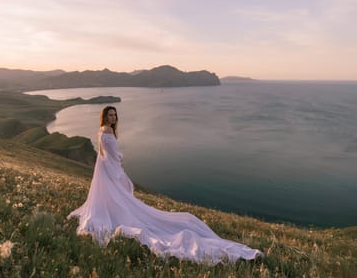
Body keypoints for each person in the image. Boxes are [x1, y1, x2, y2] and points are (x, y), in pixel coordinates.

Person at [68, 106, 262, 264]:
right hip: (110, 168)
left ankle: (111, 213)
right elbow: (112, 154)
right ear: (105, 116)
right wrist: (120, 168)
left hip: (103, 168)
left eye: (114, 114)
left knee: (112, 197)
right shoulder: (109, 131)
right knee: (123, 200)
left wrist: (112, 165)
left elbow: (102, 153)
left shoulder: (101, 130)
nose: (113, 117)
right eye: (110, 114)